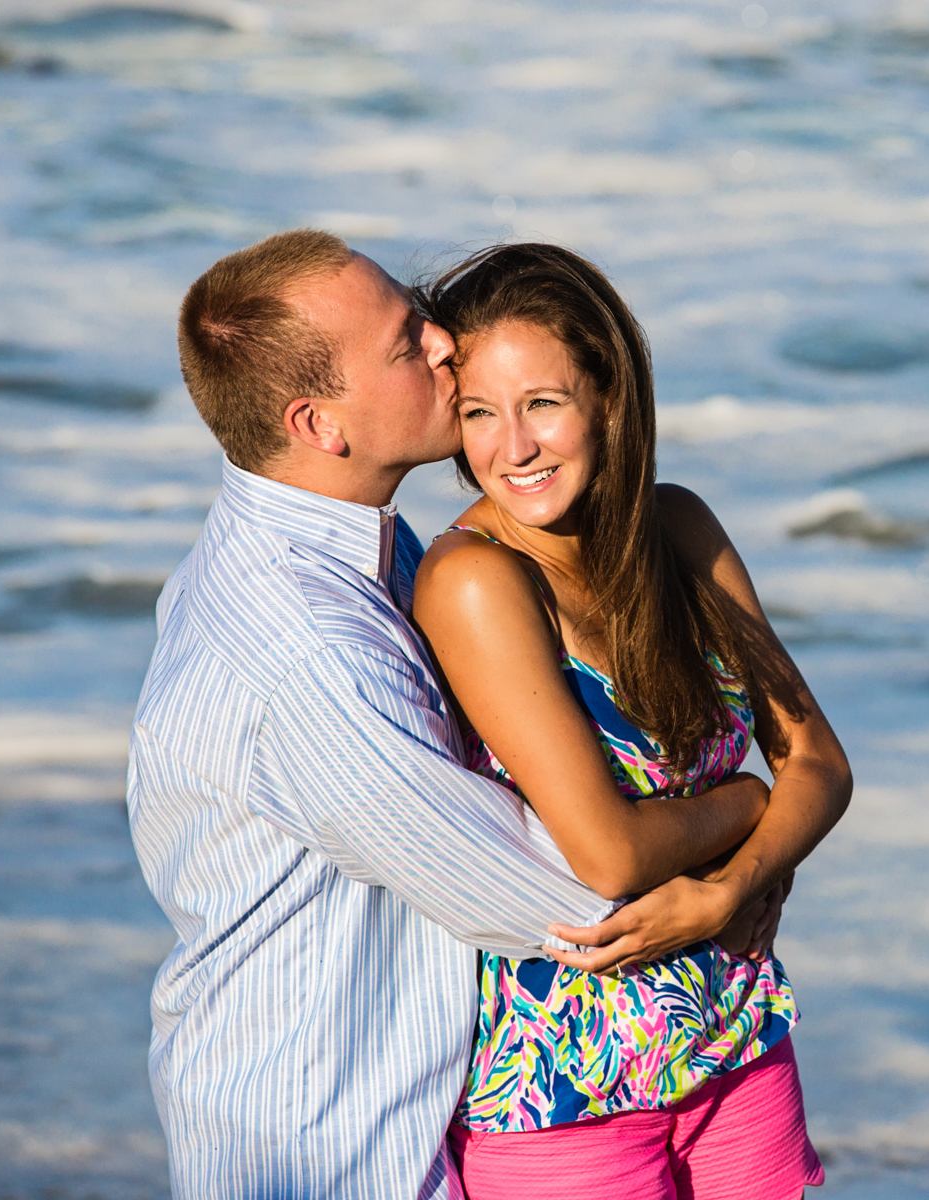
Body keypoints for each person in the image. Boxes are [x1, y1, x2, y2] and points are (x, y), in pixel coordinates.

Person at [129, 230, 785, 1198]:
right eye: (406, 343)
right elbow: (566, 898)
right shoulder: (306, 651)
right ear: (320, 426)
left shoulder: (344, 555)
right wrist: (747, 812)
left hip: (375, 1107)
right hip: (332, 1147)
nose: (444, 341)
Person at [408, 243, 852, 1198]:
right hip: (564, 1084)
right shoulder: (475, 579)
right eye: (479, 414)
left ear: (609, 397)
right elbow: (607, 857)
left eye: (544, 404)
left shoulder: (680, 529)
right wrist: (743, 806)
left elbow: (819, 761)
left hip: (737, 1036)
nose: (512, 448)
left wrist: (732, 891)